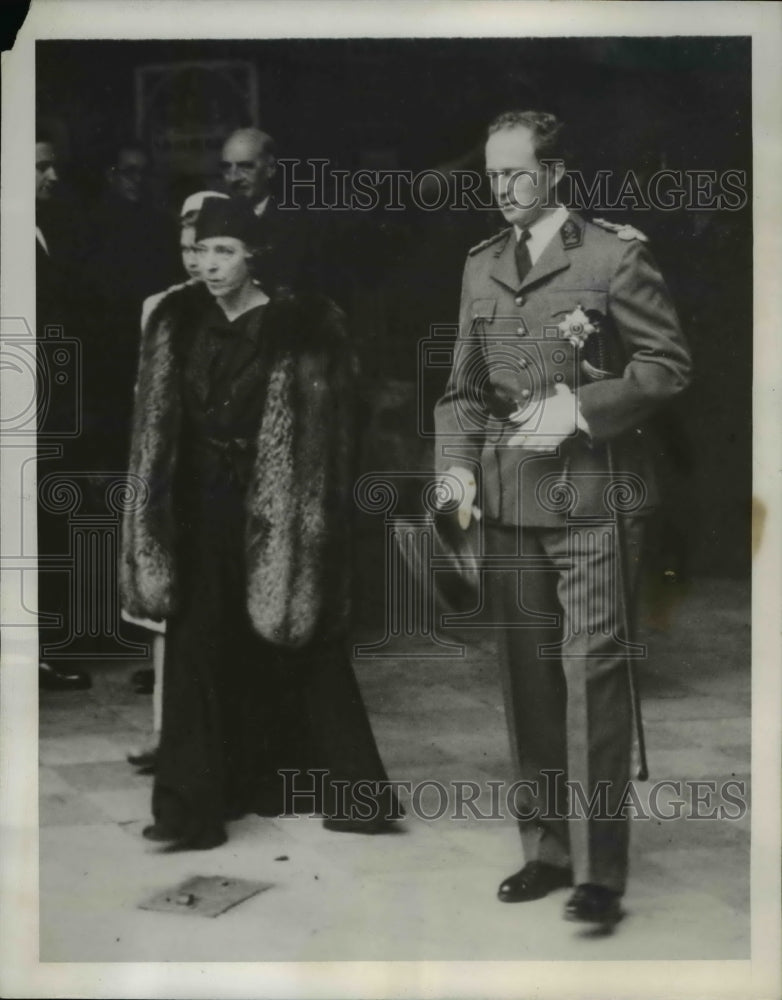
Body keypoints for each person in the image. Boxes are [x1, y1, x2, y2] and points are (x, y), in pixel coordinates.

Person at [434, 110, 692, 926]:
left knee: (592, 680)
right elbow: (463, 392)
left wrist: (580, 408)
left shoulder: (614, 254)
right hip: (510, 503)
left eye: (515, 173)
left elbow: (667, 366)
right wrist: (456, 470)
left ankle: (599, 874)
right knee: (530, 684)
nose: (501, 190)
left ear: (555, 173)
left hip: (591, 501)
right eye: (491, 176)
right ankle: (545, 852)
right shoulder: (481, 266)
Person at [121, 196, 399, 851]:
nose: (207, 265)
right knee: (194, 647)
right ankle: (187, 813)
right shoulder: (176, 317)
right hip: (196, 504)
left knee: (302, 640)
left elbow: (335, 432)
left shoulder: (300, 325)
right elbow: (155, 424)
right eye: (198, 251)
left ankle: (356, 794)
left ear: (254, 257)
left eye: (224, 252)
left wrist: (312, 510)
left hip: (278, 505)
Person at [125, 190, 231, 771]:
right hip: (171, 477)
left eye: (208, 248)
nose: (197, 261)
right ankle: (170, 735)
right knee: (168, 616)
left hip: (217, 480)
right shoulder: (161, 307)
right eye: (187, 248)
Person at [35, 133, 92, 692]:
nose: (52, 177)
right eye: (40, 167)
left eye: (53, 165)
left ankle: (40, 649)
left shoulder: (46, 230)